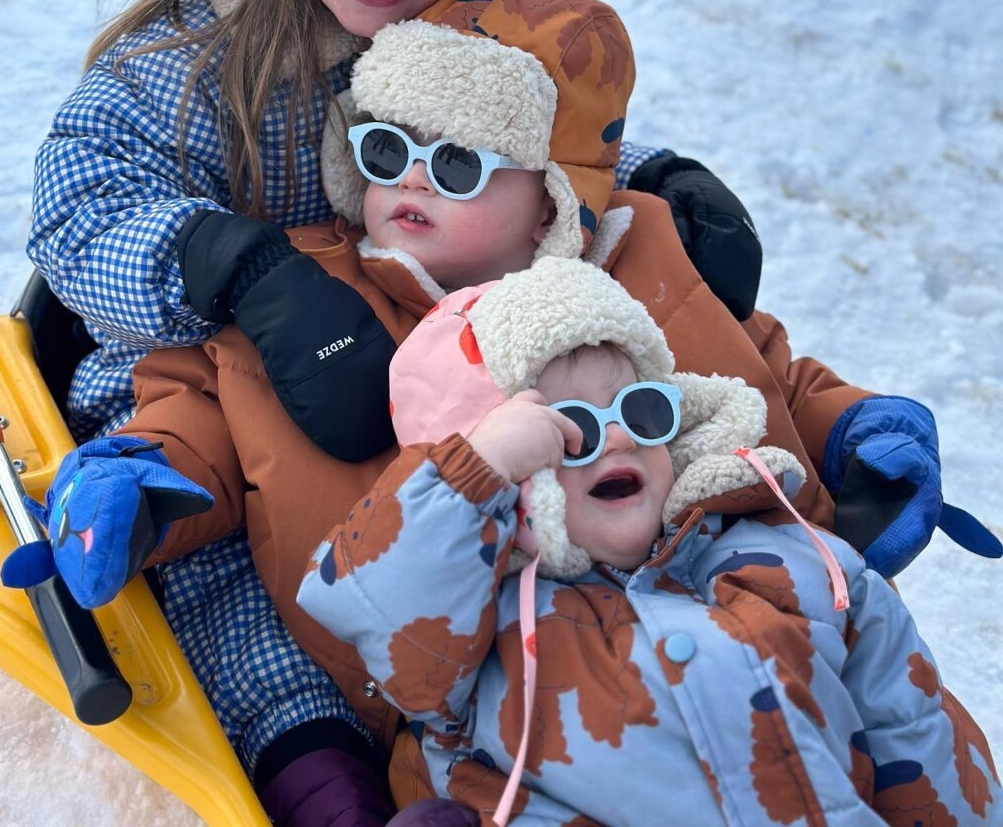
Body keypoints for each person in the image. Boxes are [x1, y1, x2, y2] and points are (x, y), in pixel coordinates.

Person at [22, 0, 762, 817]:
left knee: (534, 515)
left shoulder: (475, 15)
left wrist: (653, 175)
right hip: (206, 377)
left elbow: (535, 133)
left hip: (429, 349)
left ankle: (589, 720)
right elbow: (77, 197)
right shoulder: (198, 50)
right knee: (245, 584)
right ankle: (318, 771)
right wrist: (231, 263)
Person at [299, 258, 1001, 826]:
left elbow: (915, 733)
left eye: (640, 408)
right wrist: (473, 472)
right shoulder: (475, 637)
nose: (621, 436)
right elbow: (377, 603)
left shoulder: (791, 561)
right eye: (570, 428)